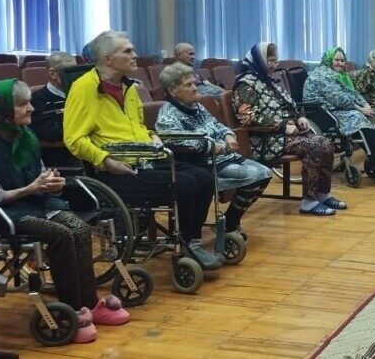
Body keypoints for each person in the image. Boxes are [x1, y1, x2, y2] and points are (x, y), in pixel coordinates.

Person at [0, 79, 130, 344]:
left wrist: (51, 182)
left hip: (34, 203)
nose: (31, 108)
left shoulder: (24, 134)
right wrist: (31, 188)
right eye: (22, 104)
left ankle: (90, 304)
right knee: (61, 235)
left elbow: (38, 172)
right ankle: (70, 311)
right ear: (3, 110)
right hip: (0, 214)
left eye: (29, 102)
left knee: (80, 229)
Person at [63, 31, 221, 270]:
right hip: (116, 169)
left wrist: (152, 135)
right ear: (107, 59)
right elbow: (74, 139)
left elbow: (137, 127)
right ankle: (186, 244)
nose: (135, 55)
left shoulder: (129, 87)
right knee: (186, 184)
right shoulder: (84, 88)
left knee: (204, 177)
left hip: (145, 157)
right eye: (127, 51)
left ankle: (193, 240)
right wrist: (106, 160)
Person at [155, 63, 271, 240]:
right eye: (188, 85)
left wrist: (228, 135)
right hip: (201, 164)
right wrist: (210, 146)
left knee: (264, 174)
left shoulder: (196, 106)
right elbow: (176, 140)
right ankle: (229, 223)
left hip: (223, 158)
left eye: (194, 83)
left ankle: (231, 220)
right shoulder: (168, 115)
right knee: (259, 174)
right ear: (172, 91)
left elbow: (216, 124)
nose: (195, 88)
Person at [233, 42, 348, 216]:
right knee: (315, 146)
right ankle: (309, 201)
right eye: (270, 61)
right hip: (263, 140)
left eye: (276, 61)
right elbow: (247, 118)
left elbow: (289, 104)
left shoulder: (269, 80)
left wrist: (299, 116)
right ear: (259, 61)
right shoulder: (245, 84)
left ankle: (322, 194)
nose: (274, 65)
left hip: (282, 135)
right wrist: (283, 127)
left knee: (326, 143)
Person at [303, 47, 375, 176]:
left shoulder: (338, 75)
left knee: (369, 114)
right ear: (329, 60)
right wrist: (361, 109)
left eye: (342, 60)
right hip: (322, 113)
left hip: (335, 109)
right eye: (336, 60)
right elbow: (338, 99)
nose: (340, 63)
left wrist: (366, 105)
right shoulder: (322, 75)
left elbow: (352, 93)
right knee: (358, 116)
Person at [30, 51, 81, 167]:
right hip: (59, 158)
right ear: (52, 74)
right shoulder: (37, 99)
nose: (75, 77)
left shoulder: (81, 95)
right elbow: (51, 133)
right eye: (69, 72)